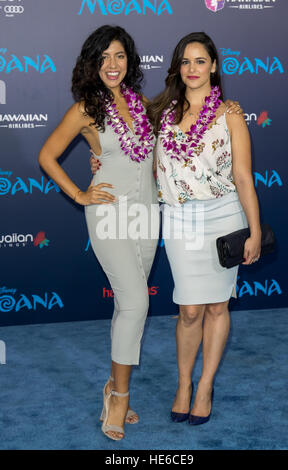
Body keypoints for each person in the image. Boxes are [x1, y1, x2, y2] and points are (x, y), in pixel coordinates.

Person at [38, 25, 159, 441]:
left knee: (128, 305)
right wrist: (79, 193)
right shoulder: (84, 109)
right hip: (109, 213)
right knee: (137, 303)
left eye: (120, 56)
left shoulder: (142, 104)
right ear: (92, 63)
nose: (112, 64)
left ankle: (110, 387)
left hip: (149, 213)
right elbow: (47, 155)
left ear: (130, 61)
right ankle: (121, 397)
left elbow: (154, 155)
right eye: (104, 57)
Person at [147, 32, 261, 425]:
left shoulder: (231, 114)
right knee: (190, 310)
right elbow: (130, 151)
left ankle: (205, 386)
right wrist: (99, 163)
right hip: (179, 219)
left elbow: (244, 177)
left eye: (200, 61)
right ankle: (183, 383)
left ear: (213, 65)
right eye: (185, 61)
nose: (192, 69)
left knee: (217, 306)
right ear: (177, 68)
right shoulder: (162, 112)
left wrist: (255, 230)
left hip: (225, 215)